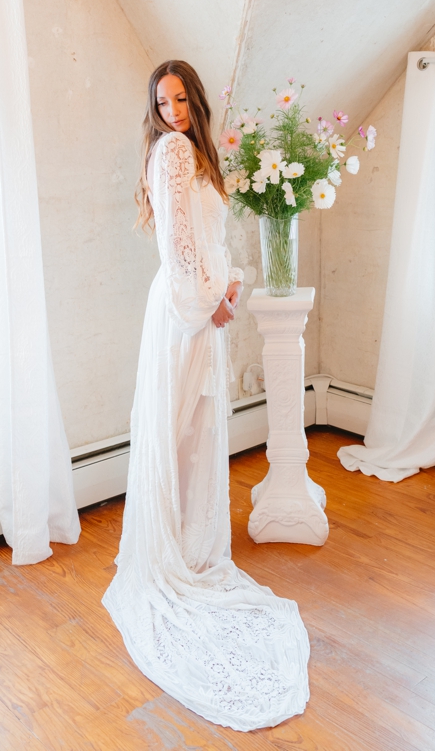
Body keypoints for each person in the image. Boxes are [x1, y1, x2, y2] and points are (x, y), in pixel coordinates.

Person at [102, 60, 310, 731]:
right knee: (181, 433)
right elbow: (177, 246)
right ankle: (177, 557)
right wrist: (208, 302)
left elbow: (209, 239)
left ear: (194, 98)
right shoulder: (170, 152)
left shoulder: (194, 150)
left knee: (191, 432)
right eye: (160, 101)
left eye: (180, 98)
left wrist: (227, 288)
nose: (171, 109)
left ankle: (190, 548)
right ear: (155, 107)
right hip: (184, 313)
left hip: (200, 307)